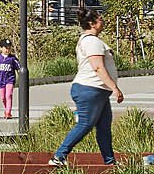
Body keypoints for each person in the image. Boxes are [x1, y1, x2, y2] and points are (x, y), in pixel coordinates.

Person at [52, 10, 122, 165]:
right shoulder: (92, 42)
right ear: (92, 23)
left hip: (98, 91)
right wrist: (114, 88)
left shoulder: (92, 40)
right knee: (85, 123)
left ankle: (109, 162)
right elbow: (98, 67)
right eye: (100, 19)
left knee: (104, 127)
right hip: (90, 89)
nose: (103, 22)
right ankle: (59, 156)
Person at [0, 41, 20, 119]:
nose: (7, 50)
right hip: (1, 80)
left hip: (10, 80)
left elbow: (19, 67)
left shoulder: (12, 58)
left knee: (9, 95)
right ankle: (6, 108)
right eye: (5, 48)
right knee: (3, 98)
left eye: (9, 48)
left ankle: (8, 112)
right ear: (1, 48)